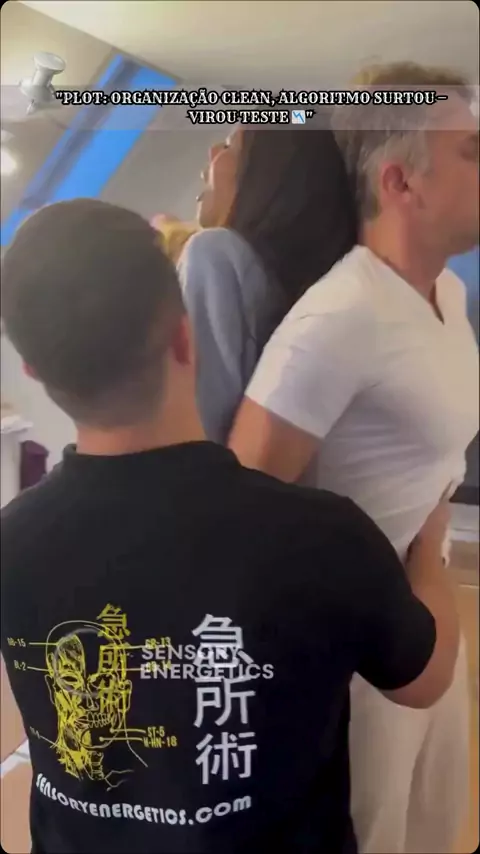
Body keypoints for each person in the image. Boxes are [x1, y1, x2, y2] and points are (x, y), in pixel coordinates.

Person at [0, 199, 459, 854]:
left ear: (35, 373)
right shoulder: (320, 537)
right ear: (184, 338)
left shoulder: (12, 543)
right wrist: (430, 548)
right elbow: (426, 678)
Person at [229, 62, 479, 854]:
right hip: (355, 666)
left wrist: (429, 565)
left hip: (426, 618)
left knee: (435, 828)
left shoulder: (448, 296)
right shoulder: (337, 319)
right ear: (402, 181)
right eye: (472, 150)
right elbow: (240, 511)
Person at [178, 119, 357, 443]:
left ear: (268, 176)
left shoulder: (215, 255)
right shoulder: (334, 283)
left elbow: (195, 425)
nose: (213, 153)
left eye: (231, 146)